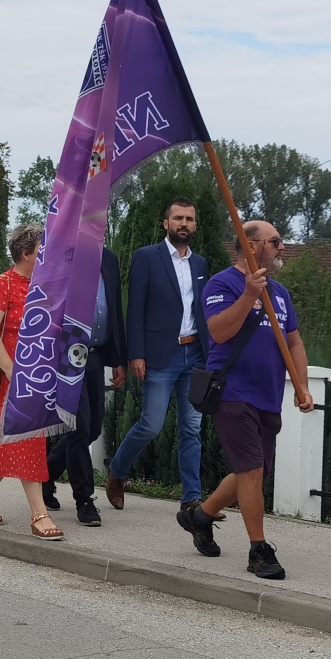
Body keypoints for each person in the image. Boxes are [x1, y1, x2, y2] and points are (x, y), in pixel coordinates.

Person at [180, 221, 314, 581]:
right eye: (276, 241)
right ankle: (259, 551)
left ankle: (200, 516)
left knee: (252, 472)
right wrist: (249, 295)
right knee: (252, 471)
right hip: (233, 393)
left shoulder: (280, 293)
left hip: (268, 395)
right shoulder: (221, 284)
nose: (282, 247)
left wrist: (301, 386)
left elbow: (294, 342)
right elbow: (219, 331)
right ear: (252, 246)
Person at [107, 198, 211, 511]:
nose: (184, 224)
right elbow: (135, 308)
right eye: (178, 218)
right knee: (151, 424)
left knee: (192, 428)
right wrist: (136, 354)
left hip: (194, 354)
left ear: (195, 225)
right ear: (166, 223)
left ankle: (191, 499)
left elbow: (201, 311)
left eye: (189, 219)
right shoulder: (146, 257)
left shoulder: (200, 264)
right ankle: (117, 472)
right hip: (160, 355)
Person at [0, 223, 63, 541]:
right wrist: (12, 371)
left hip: (37, 378)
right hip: (10, 379)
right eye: (42, 251)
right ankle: (39, 514)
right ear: (25, 254)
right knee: (26, 442)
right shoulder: (2, 284)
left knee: (13, 444)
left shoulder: (45, 288)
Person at [41, 244, 126, 525]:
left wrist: (119, 358)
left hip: (96, 355)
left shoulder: (109, 259)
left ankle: (45, 475)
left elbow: (114, 308)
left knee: (92, 428)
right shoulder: (62, 256)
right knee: (78, 428)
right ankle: (84, 500)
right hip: (67, 355)